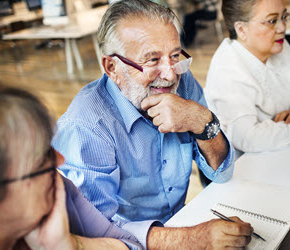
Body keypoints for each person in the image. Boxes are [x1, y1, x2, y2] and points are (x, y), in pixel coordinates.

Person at [53, 0, 253, 248]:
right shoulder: (86, 127)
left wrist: (201, 120)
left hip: (181, 221)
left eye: (175, 56)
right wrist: (193, 239)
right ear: (111, 67)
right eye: (152, 60)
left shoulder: (184, 81)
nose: (170, 74)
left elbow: (222, 172)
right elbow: (96, 234)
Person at [0, 87, 142, 250]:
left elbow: (132, 244)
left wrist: (71, 245)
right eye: (43, 158)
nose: (60, 159)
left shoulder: (59, 190)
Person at [204, 0, 290, 159]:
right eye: (272, 21)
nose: (282, 28)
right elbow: (248, 137)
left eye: (284, 17)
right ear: (241, 29)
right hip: (247, 168)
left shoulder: (279, 47)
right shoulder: (227, 70)